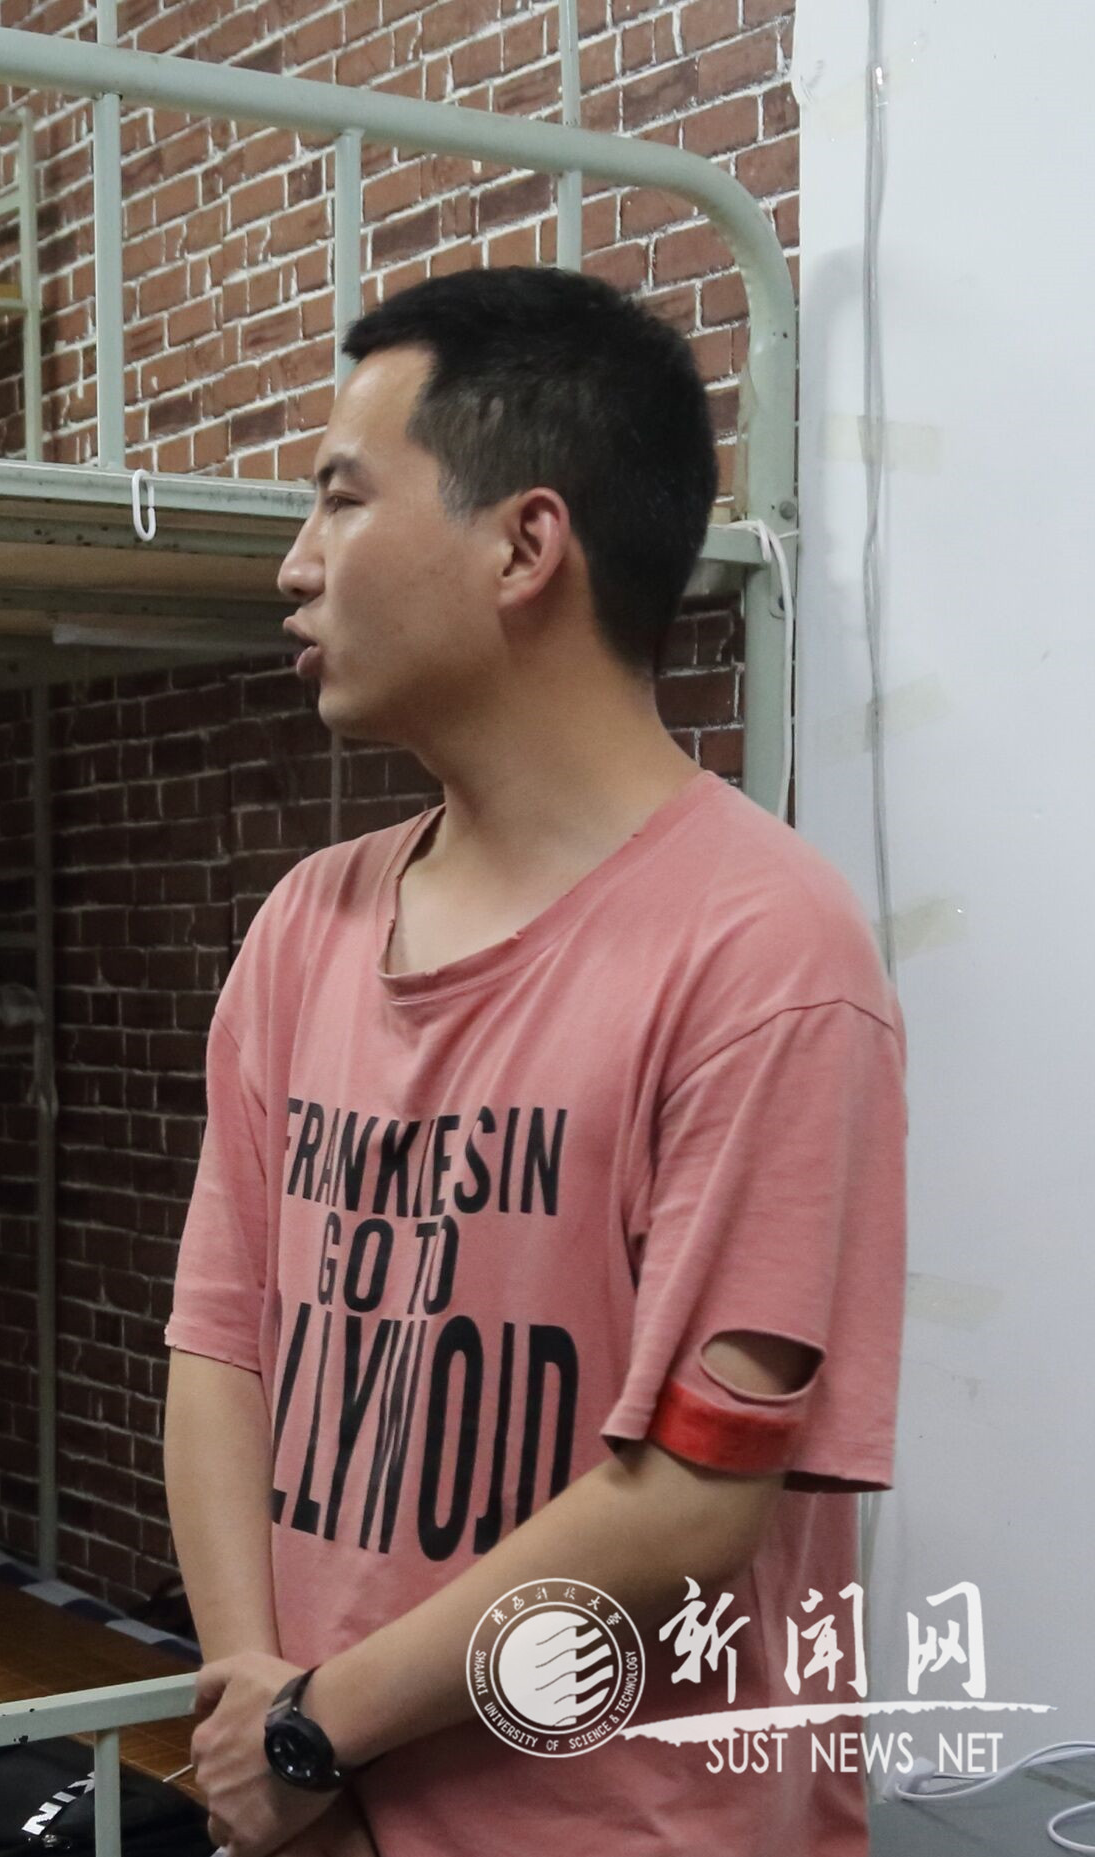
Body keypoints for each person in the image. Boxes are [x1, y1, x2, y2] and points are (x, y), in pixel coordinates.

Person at [162, 269, 904, 1857]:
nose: (295, 566)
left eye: (342, 500)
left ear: (524, 545)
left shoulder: (766, 951)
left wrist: (316, 1727)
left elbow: (692, 1499)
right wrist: (260, 1715)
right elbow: (222, 1342)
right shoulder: (305, 927)